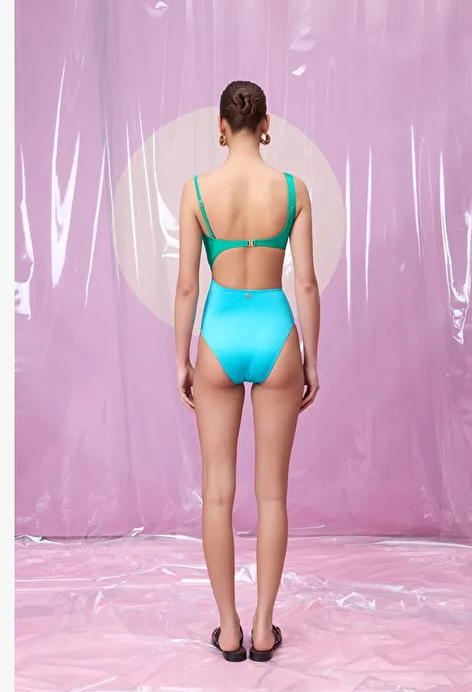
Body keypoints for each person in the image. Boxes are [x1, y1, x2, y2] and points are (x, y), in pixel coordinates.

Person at [174, 80, 320, 663]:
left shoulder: (196, 190)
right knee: (272, 495)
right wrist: (312, 358)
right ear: (265, 125)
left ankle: (229, 630)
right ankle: (263, 628)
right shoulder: (293, 189)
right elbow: (305, 282)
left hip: (219, 334)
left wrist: (181, 358)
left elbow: (188, 286)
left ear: (220, 125)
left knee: (217, 493)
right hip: (276, 334)